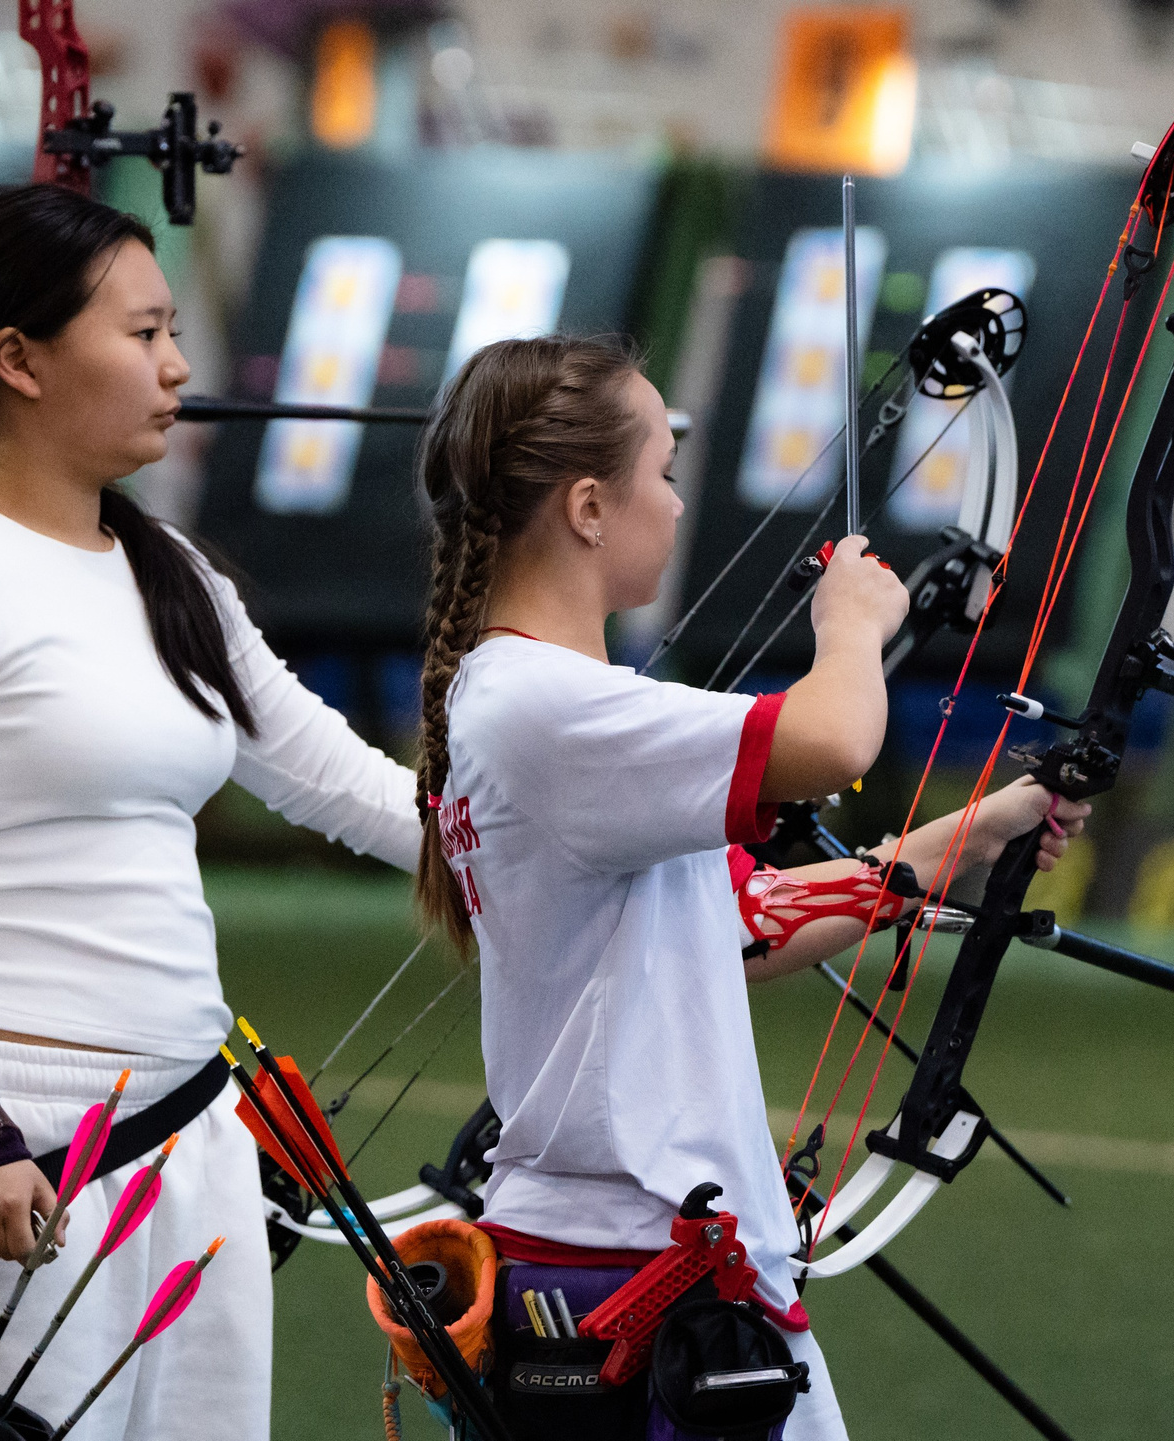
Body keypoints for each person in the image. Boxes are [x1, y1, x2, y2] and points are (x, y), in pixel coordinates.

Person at [0, 185, 418, 1439]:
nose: (178, 365)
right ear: (19, 361)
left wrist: (554, 842)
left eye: (171, 333)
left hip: (192, 1139)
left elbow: (343, 781)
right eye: (142, 334)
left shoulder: (169, 568)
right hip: (11, 1161)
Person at [411, 334, 1089, 1438]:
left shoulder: (545, 702)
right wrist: (852, 624)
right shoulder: (543, 702)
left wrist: (971, 834)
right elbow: (835, 736)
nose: (676, 505)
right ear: (588, 506)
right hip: (629, 1278)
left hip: (666, 1270)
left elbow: (742, 923)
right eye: (663, 475)